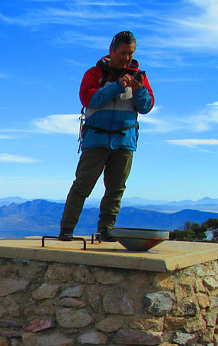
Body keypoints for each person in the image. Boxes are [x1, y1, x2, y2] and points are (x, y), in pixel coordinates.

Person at [58, 30, 154, 242]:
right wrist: (118, 87)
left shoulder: (139, 77)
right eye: (122, 53)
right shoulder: (94, 74)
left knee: (116, 188)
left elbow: (146, 106)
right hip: (97, 139)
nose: (126, 58)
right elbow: (89, 99)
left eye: (130, 53)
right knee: (82, 185)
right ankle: (67, 229)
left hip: (125, 141)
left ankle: (107, 229)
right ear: (111, 51)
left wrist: (138, 90)